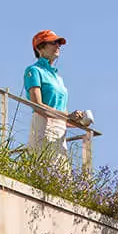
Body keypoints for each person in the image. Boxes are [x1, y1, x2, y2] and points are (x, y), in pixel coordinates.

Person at [21, 30, 90, 163]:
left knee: (60, 173)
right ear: (39, 47)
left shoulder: (58, 78)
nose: (58, 46)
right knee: (44, 166)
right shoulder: (34, 71)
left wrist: (77, 120)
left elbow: (62, 114)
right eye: (53, 42)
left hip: (60, 130)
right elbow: (37, 105)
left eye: (59, 43)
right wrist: (66, 116)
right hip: (43, 125)